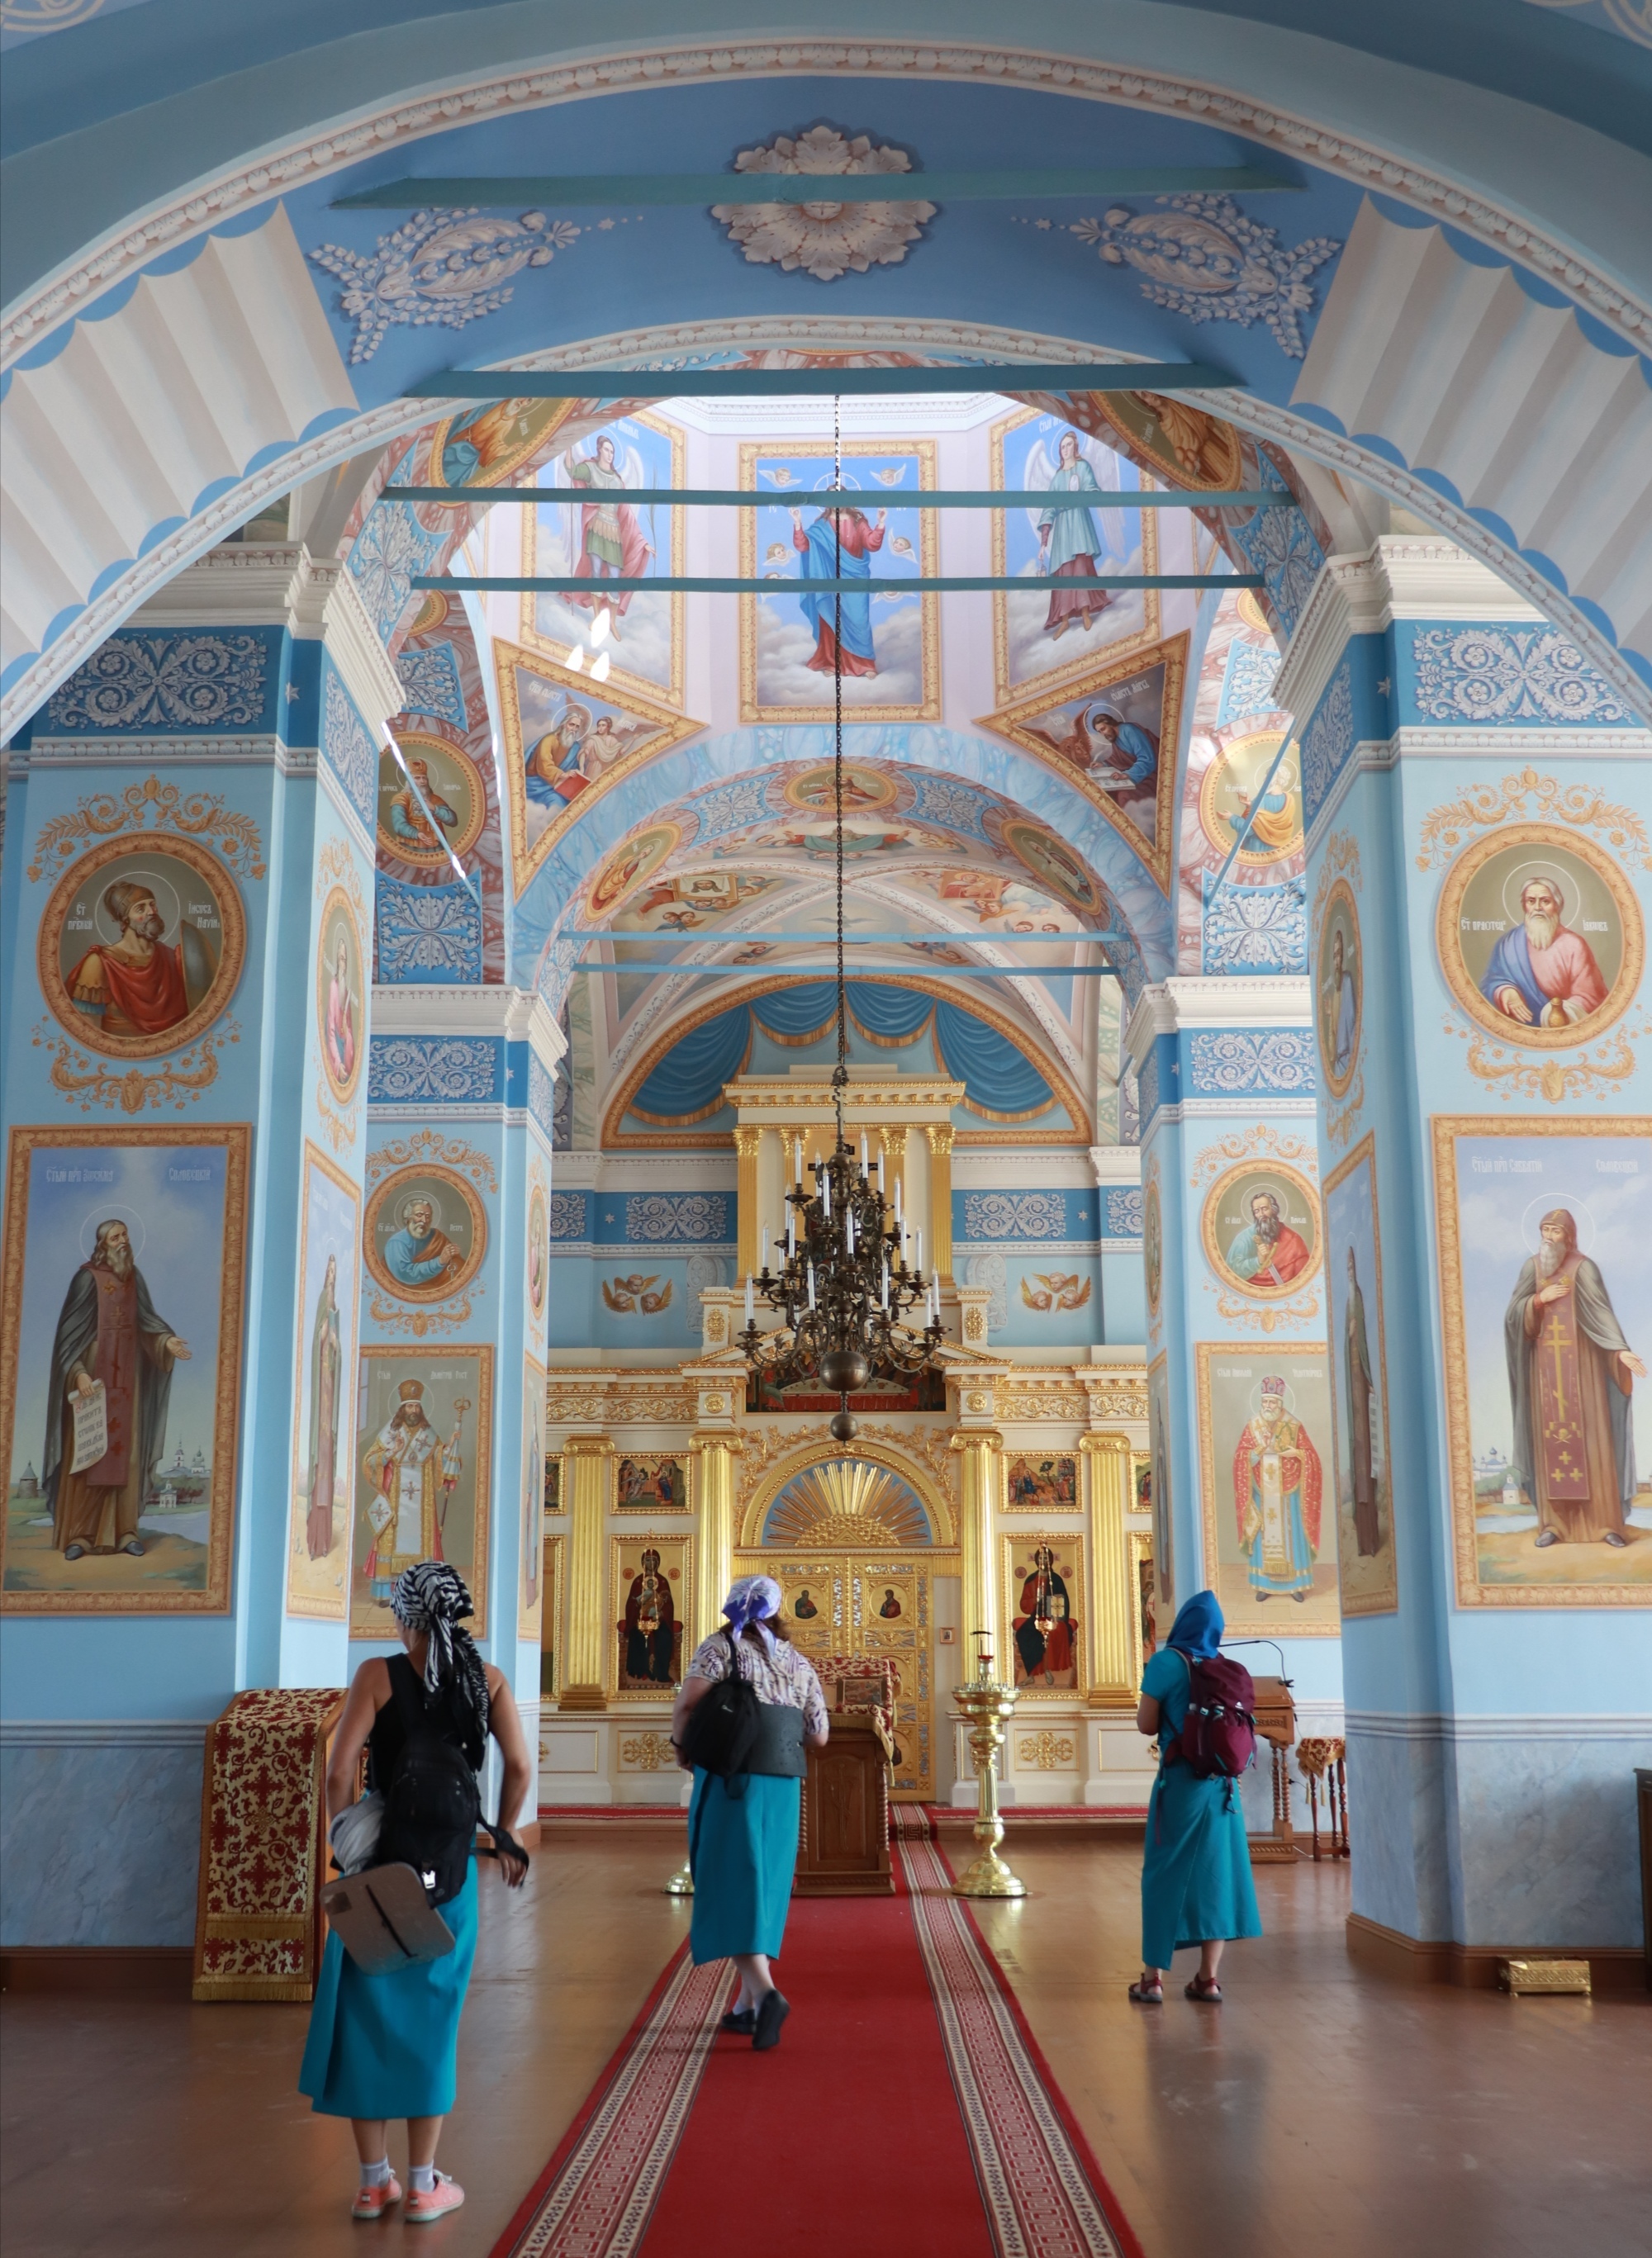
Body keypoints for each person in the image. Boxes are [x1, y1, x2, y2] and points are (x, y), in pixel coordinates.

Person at [300, 1562, 530, 2224]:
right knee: (433, 2021)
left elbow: (341, 1767)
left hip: (379, 1873)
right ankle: (427, 2183)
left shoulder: (378, 1675)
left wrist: (347, 1846)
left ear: (405, 1618)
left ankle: (374, 2184)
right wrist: (503, 1833)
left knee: (365, 2015)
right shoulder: (487, 1681)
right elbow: (518, 1764)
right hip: (450, 1873)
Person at [672, 1576, 828, 2050]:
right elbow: (819, 1735)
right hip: (782, 1784)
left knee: (727, 1880)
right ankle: (746, 2005)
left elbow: (688, 1705)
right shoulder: (797, 1661)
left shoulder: (720, 1648)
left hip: (730, 1778)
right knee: (764, 1885)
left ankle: (765, 1992)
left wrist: (683, 1751)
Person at [1131, 1590, 1261, 2005]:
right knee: (1215, 1877)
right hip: (1223, 1790)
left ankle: (1152, 1979)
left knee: (1163, 1872)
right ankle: (1208, 1979)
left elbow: (1145, 1725)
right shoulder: (1226, 1668)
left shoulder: (1166, 1662)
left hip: (1179, 1784)